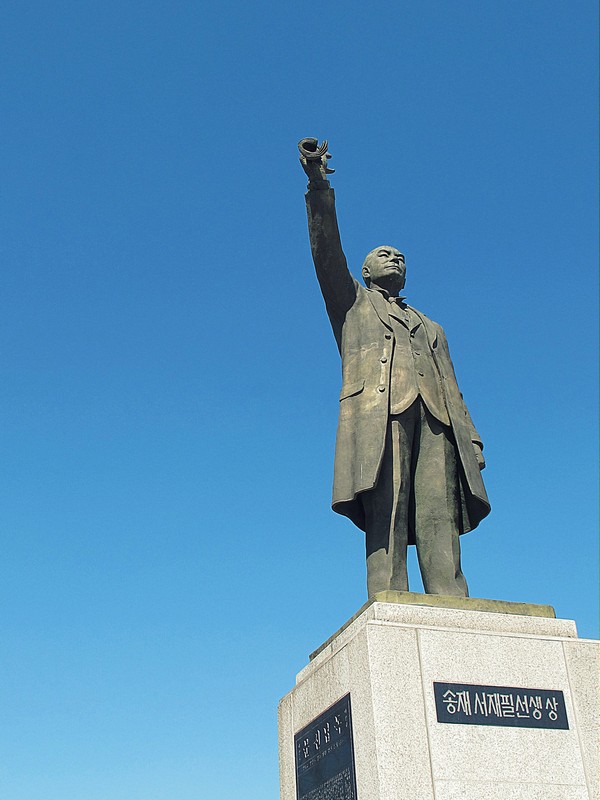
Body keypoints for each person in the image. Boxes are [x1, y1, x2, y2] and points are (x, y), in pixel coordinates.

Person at [299, 138, 490, 597]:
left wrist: (474, 439)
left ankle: (450, 598)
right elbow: (327, 253)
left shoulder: (432, 327)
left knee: (438, 509)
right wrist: (318, 185)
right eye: (385, 254)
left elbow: (455, 389)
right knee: (389, 503)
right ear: (366, 271)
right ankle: (388, 595)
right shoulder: (353, 307)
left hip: (437, 419)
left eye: (401, 256)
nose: (397, 259)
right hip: (381, 416)